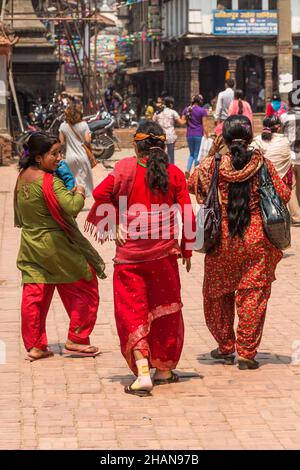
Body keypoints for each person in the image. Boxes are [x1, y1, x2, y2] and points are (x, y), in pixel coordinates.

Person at [86, 121, 195, 396]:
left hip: (130, 258)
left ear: (136, 146)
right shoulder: (174, 174)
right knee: (166, 308)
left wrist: (113, 223)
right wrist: (188, 249)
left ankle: (144, 372)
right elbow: (189, 215)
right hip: (165, 256)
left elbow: (99, 194)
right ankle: (166, 370)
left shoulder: (124, 169)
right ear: (164, 146)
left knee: (132, 311)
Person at [188, 115, 291, 370]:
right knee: (252, 296)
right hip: (256, 241)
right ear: (249, 138)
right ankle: (246, 352)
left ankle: (225, 347)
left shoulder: (213, 165)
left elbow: (192, 184)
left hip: (222, 241)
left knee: (218, 295)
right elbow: (284, 194)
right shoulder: (263, 164)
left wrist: (213, 149)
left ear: (224, 138)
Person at [14, 133, 106, 362]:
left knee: (35, 293)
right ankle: (77, 338)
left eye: (59, 152)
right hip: (56, 245)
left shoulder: (22, 178)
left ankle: (35, 346)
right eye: (53, 154)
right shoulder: (50, 181)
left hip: (30, 243)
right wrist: (80, 192)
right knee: (84, 283)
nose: (59, 158)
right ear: (38, 157)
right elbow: (71, 207)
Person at [254, 115, 300, 225]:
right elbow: (287, 161)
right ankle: (296, 217)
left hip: (264, 179)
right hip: (282, 182)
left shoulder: (257, 140)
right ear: (278, 128)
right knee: (292, 184)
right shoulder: (284, 141)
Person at [59, 105, 94, 197]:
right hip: (82, 156)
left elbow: (61, 142)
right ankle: (80, 201)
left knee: (72, 181)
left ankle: (73, 200)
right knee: (82, 181)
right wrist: (89, 135)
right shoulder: (84, 125)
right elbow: (87, 140)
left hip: (69, 157)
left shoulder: (63, 126)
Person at [281, 89, 300, 213]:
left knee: (292, 187)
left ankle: (296, 216)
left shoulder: (284, 117)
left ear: (289, 102)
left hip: (290, 157)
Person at [181, 94, 208, 179]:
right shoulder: (202, 111)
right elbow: (204, 125)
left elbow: (182, 121)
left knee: (191, 154)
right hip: (198, 134)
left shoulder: (186, 110)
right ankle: (196, 173)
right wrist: (207, 135)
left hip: (189, 134)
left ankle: (187, 169)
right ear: (200, 101)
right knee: (197, 154)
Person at [153, 96, 185, 164]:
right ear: (170, 104)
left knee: (160, 153)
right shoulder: (172, 112)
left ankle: (160, 167)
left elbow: (153, 121)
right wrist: (186, 117)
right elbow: (181, 122)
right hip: (170, 135)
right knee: (170, 154)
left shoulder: (158, 112)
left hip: (160, 135)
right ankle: (171, 169)